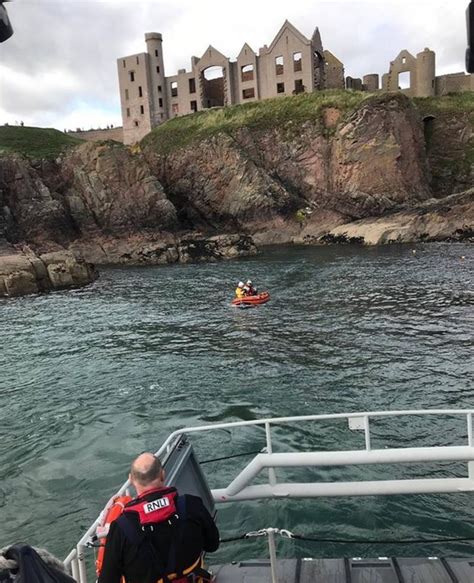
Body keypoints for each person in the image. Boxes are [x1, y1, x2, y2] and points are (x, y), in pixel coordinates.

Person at [98, 452, 219, 583]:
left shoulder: (121, 528)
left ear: (131, 480)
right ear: (162, 474)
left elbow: (108, 580)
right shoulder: (191, 505)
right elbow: (212, 545)